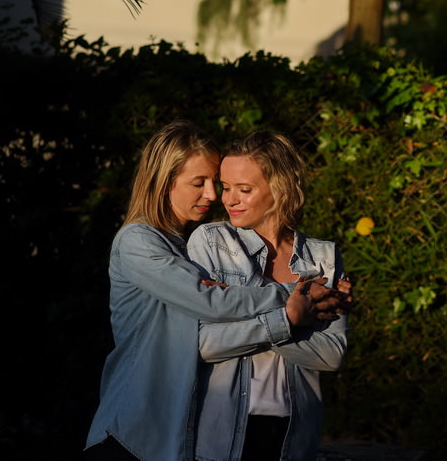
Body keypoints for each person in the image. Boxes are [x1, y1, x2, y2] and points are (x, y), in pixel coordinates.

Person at [85, 121, 339, 461]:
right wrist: (297, 294)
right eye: (198, 183)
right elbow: (211, 303)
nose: (212, 195)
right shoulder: (138, 243)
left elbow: (331, 353)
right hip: (130, 432)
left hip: (169, 435)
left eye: (212, 182)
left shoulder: (180, 245)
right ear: (163, 184)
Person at [187, 130, 352, 461]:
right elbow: (202, 344)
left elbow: (332, 354)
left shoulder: (324, 257)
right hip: (222, 435)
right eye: (226, 187)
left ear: (280, 189)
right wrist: (291, 315)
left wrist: (239, 307)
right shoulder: (210, 243)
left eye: (244, 189)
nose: (228, 199)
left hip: (293, 436)